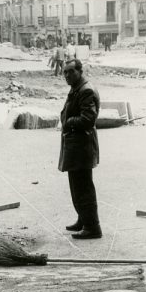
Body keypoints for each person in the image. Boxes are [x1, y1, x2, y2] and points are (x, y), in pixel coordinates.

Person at [59, 59, 102, 239]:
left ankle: (92, 227)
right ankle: (83, 220)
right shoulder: (78, 87)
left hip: (82, 146)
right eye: (65, 72)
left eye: (71, 72)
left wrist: (67, 122)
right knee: (77, 186)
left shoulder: (86, 90)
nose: (67, 76)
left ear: (80, 71)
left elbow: (88, 119)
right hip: (76, 145)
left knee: (83, 187)